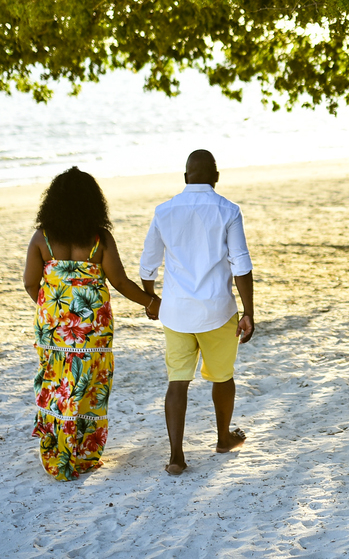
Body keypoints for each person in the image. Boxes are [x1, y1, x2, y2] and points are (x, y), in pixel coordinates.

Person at [23, 167, 161, 482]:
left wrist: (53, 312)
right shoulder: (99, 239)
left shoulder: (42, 238)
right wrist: (152, 303)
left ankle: (57, 450)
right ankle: (83, 453)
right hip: (92, 331)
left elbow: (30, 283)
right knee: (88, 387)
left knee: (57, 385)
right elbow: (121, 282)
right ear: (93, 203)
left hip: (54, 329)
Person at [139, 149, 255, 475]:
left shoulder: (164, 211)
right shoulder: (228, 210)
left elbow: (148, 265)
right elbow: (241, 264)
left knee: (177, 382)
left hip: (176, 312)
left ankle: (176, 456)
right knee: (223, 376)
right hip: (218, 310)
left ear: (185, 176)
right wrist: (249, 311)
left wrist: (151, 299)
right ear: (216, 177)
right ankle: (223, 438)